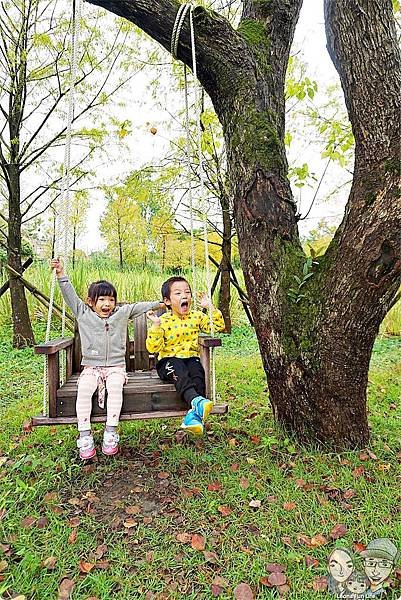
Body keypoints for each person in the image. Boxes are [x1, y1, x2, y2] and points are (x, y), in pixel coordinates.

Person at [51, 258, 163, 460]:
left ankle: (110, 431)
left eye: (111, 299)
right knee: (84, 389)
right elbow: (69, 296)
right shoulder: (83, 313)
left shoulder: (121, 314)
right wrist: (61, 274)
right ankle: (85, 435)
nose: (107, 304)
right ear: (91, 302)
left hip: (116, 368)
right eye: (102, 299)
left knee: (115, 387)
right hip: (91, 368)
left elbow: (139, 306)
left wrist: (160, 303)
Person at [146, 276, 224, 435]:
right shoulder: (163, 320)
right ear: (167, 301)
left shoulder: (196, 316)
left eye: (187, 292)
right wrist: (156, 325)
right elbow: (153, 347)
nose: (184, 296)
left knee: (197, 373)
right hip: (168, 363)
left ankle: (193, 418)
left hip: (191, 359)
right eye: (178, 293)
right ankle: (197, 401)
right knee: (179, 368)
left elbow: (218, 326)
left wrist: (210, 307)